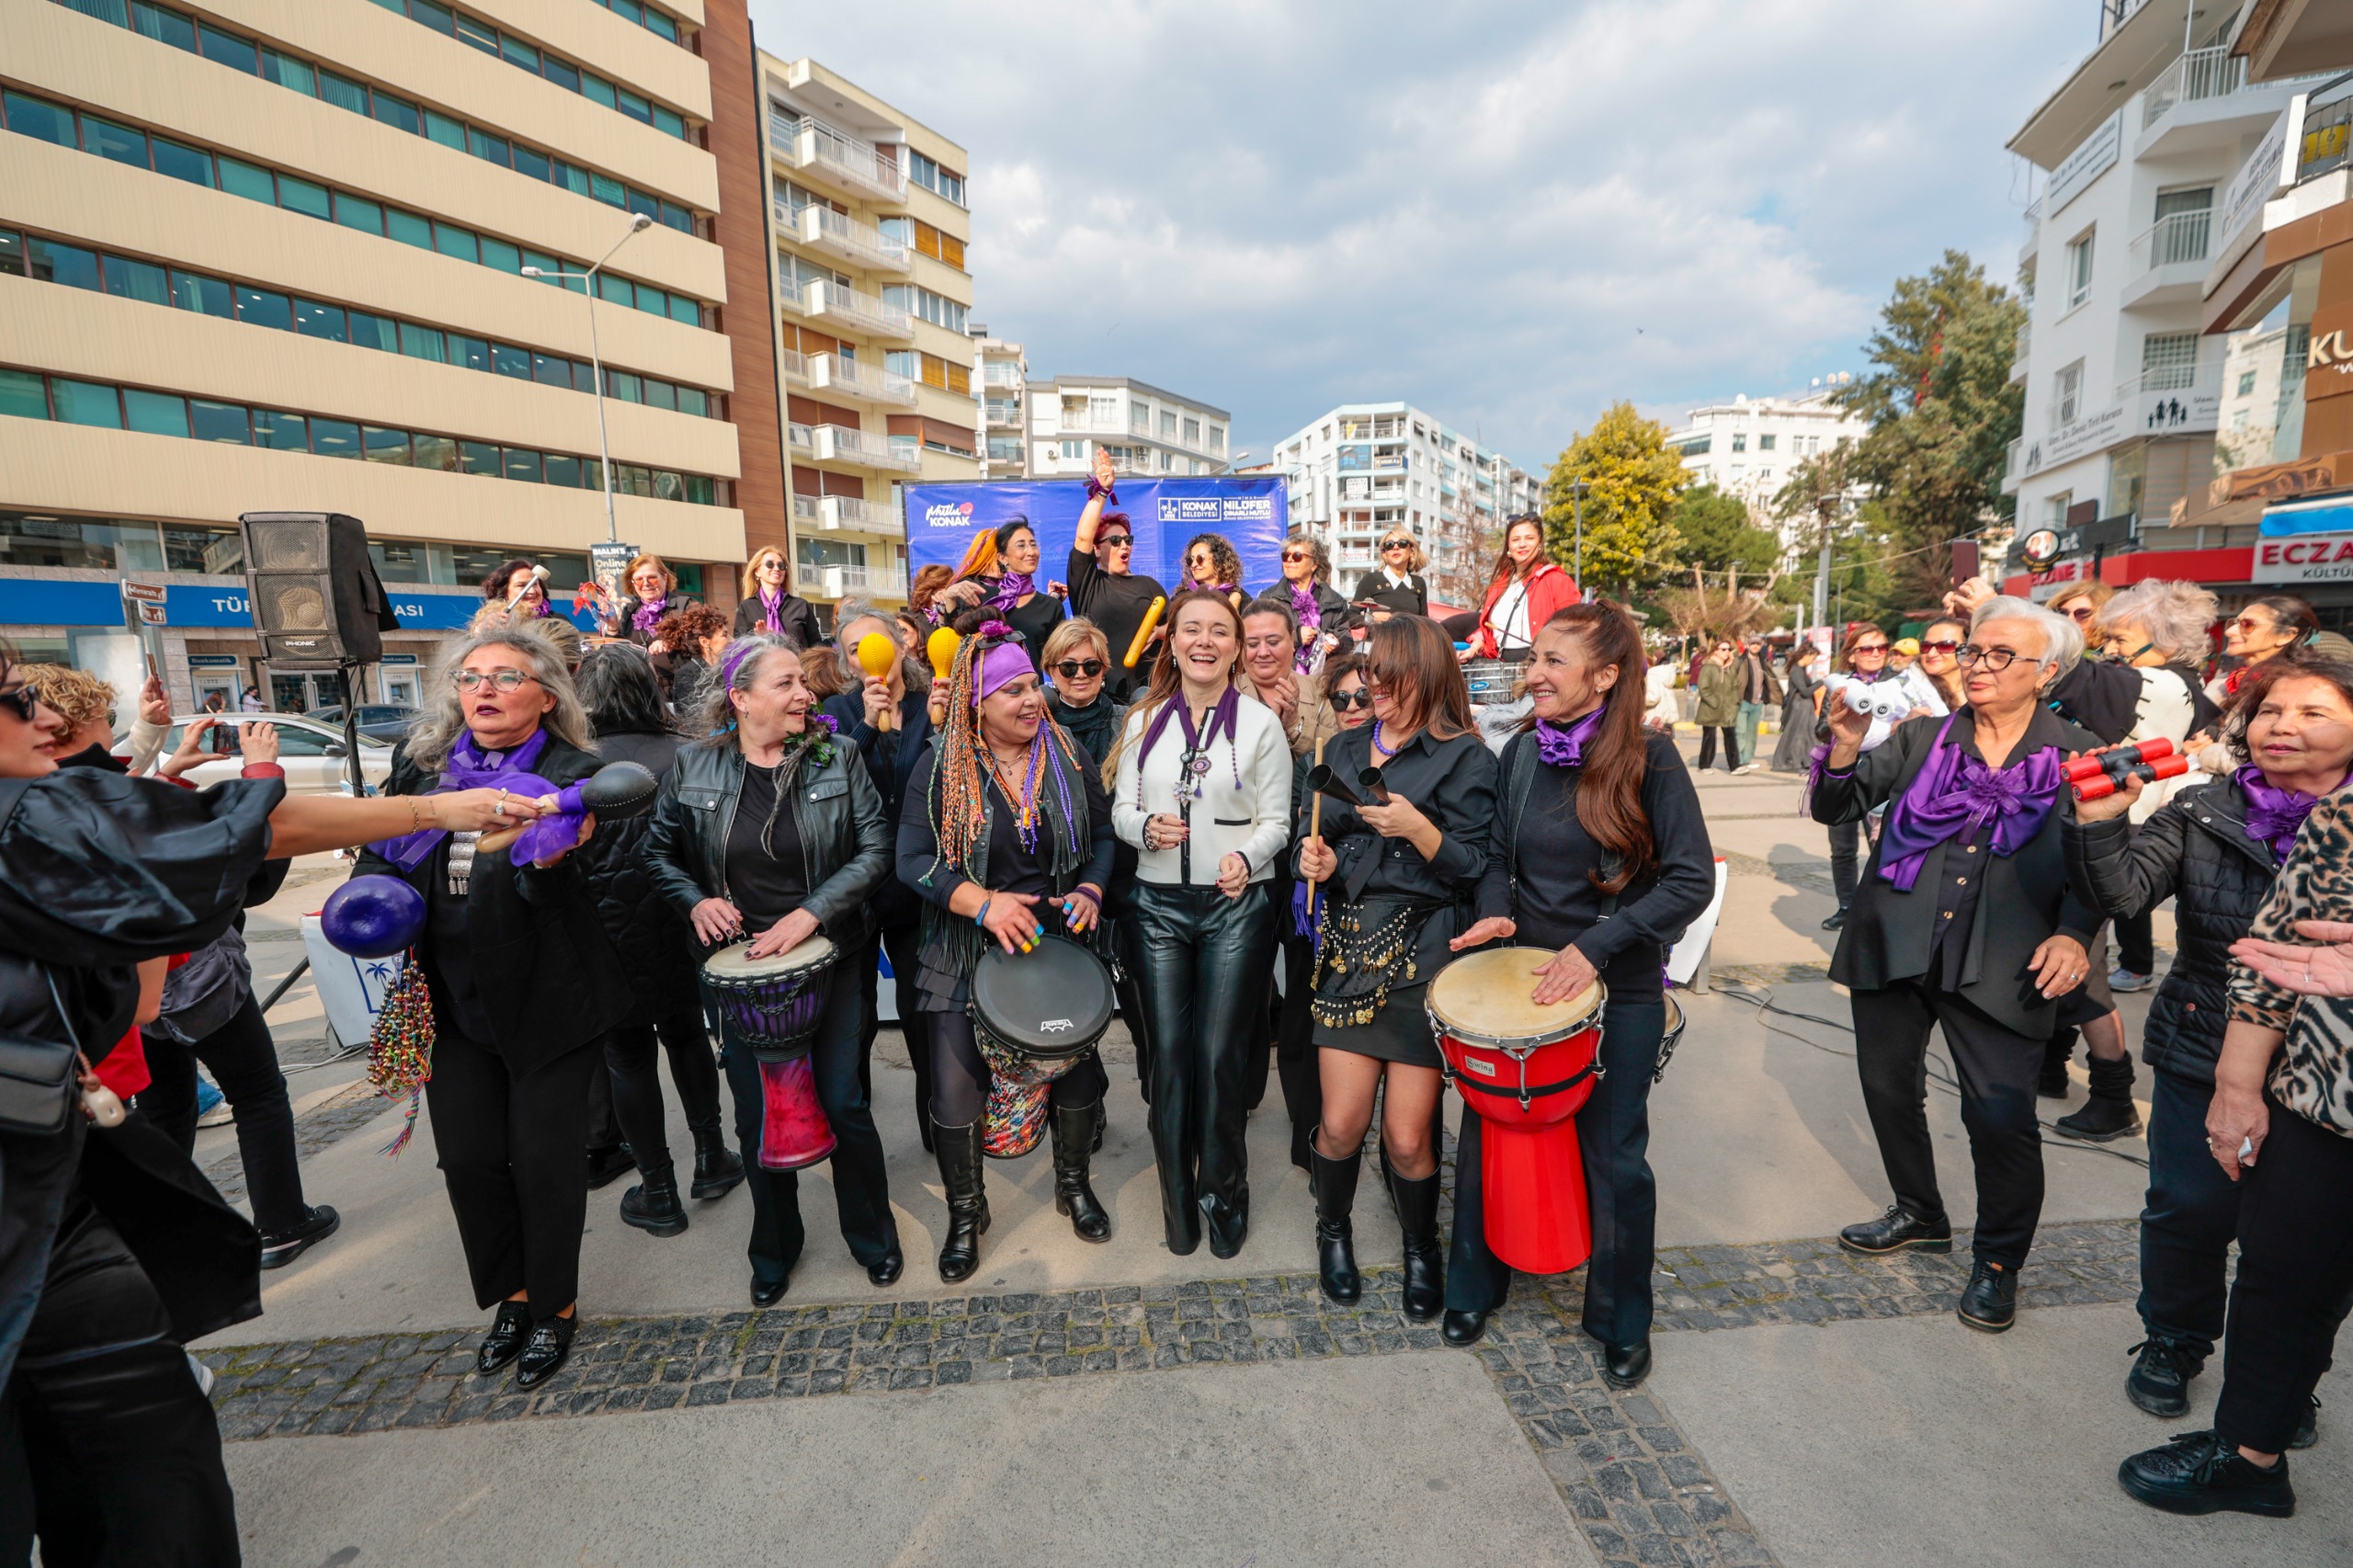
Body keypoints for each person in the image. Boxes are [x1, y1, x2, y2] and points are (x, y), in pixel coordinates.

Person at [0, 647, 527, 1561]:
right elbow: (236, 832)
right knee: (146, 1473)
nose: (30, 710)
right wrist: (442, 806)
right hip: (30, 1199)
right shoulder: (23, 815)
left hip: (51, 1187)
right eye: (11, 694)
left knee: (131, 1459)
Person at [2069, 651, 2353, 1442]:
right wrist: (2099, 828)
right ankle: (2175, 1340)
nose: (2283, 726)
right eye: (2269, 711)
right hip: (2204, 1043)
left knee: (2307, 1250)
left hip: (2332, 1075)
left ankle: (2284, 1383)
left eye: (2312, 712)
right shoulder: (2201, 809)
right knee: (2190, 1211)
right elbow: (2122, 894)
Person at [1810, 597, 2102, 1334]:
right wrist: (1843, 749)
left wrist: (2074, 933)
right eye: (1974, 651)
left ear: (2049, 672)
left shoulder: (2078, 752)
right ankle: (1920, 1210)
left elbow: (2102, 866)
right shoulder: (1921, 739)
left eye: (2001, 655)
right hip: (1897, 939)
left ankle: (1999, 1262)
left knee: (2000, 1117)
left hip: (2007, 958)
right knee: (1886, 1089)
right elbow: (1834, 809)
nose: (1977, 665)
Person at [1445, 602, 1715, 1373]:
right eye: (1535, 658)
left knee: (1615, 1155)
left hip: (1618, 986)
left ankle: (1622, 1318)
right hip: (1522, 983)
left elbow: (1690, 882)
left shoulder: (1652, 759)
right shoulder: (1522, 752)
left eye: (1553, 662)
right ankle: (1476, 1282)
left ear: (1605, 676)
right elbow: (1495, 855)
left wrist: (1594, 945)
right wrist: (1496, 914)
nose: (1532, 674)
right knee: (1490, 1134)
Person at [350, 623, 620, 1389]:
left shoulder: (578, 772)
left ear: (545, 695)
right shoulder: (425, 768)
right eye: (471, 678)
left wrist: (554, 859)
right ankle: (513, 1296)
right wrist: (370, 899)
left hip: (549, 998)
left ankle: (555, 1308)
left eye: (505, 677)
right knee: (469, 1161)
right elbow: (381, 851)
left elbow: (582, 897)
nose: (485, 691)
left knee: (543, 1164)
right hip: (452, 996)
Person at [2114, 790, 2353, 1516]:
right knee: (2283, 1279)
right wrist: (2238, 1086)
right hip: (2328, 1095)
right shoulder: (2343, 816)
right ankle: (2250, 1454)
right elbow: (2270, 963)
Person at [644, 636, 903, 1303]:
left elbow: (875, 849)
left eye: (802, 683)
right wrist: (693, 900)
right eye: (786, 683)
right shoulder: (693, 766)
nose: (804, 695)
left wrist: (810, 914)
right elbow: (657, 855)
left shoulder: (838, 755)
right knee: (758, 1119)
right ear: (741, 698)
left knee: (844, 1102)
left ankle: (873, 1238)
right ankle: (774, 1250)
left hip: (833, 957)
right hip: (740, 976)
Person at [897, 623, 1119, 1278]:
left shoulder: (1067, 752)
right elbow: (910, 861)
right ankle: (968, 1213)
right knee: (956, 1090)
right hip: (963, 950)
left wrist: (1092, 888)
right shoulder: (942, 765)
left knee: (1074, 1075)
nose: (1032, 700)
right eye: (1013, 690)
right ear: (977, 703)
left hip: (1057, 948)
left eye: (1033, 686)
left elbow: (1103, 837)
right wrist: (984, 903)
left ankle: (1072, 1185)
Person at [1295, 617, 1498, 1321]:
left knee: (1410, 1138)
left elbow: (1478, 867)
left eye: (1387, 673)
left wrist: (1420, 829)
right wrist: (1313, 858)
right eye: (1368, 673)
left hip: (1427, 949)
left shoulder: (1467, 757)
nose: (1372, 686)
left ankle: (1421, 1245)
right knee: (1342, 1124)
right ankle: (1334, 1230)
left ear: (1425, 674)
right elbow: (1314, 833)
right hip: (1351, 947)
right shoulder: (1341, 747)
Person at [1108, 592, 1291, 1256]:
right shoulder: (1143, 721)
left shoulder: (1261, 725)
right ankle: (1176, 1202)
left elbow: (1279, 820)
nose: (1205, 641)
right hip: (1158, 906)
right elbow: (1121, 811)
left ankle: (1223, 1190)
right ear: (1173, 643)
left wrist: (1247, 855)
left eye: (1220, 631)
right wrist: (1144, 827)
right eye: (1193, 630)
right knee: (1167, 1063)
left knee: (1218, 1058)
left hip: (1235, 905)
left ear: (1238, 648)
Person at [571, 645, 739, 1239]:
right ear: (650, 689)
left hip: (604, 934)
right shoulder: (689, 755)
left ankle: (660, 1189)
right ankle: (712, 1156)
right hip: (680, 923)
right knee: (687, 1035)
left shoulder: (570, 764)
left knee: (627, 1058)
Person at [821, 601, 940, 1152]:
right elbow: (829, 785)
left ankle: (941, 1132)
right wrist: (867, 727)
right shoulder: (836, 713)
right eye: (854, 649)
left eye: (878, 643)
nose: (870, 657)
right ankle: (856, 1139)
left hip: (919, 888)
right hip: (858, 891)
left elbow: (945, 785)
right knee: (856, 1021)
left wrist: (942, 729)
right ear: (847, 663)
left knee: (924, 1019)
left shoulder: (928, 704)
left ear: (902, 646)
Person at [2087, 579, 2224, 1004]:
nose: (2110, 647)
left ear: (2165, 641)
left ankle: (2135, 965)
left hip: (2134, 809)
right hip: (2120, 806)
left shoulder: (2164, 683)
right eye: (2107, 637)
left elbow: (2075, 678)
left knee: (2123, 893)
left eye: (2120, 638)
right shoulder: (2143, 676)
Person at [1817, 623, 1944, 930]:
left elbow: (1928, 717)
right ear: (1851, 656)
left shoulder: (1903, 681)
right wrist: (1845, 731)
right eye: (1867, 648)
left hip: (1890, 772)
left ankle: (1880, 906)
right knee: (1843, 846)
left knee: (1885, 842)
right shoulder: (1841, 685)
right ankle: (1846, 905)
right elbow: (1821, 730)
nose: (1876, 654)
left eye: (1882, 648)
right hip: (1846, 769)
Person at [1067, 446, 1169, 699]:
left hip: (1148, 696)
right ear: (1096, 549)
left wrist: (1158, 632)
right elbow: (1082, 537)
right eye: (1114, 541)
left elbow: (1179, 628)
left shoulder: (1149, 586)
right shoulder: (1089, 583)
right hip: (1100, 697)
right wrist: (1101, 492)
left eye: (1128, 540)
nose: (1124, 545)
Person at [934, 519, 1066, 662]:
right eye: (1021, 546)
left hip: (1030, 684)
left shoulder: (1051, 606)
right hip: (984, 683)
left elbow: (1059, 660)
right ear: (1002, 557)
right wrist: (950, 599)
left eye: (1033, 545)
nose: (1031, 552)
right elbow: (955, 645)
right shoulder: (981, 595)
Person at [1238, 597, 1338, 759]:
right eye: (1252, 644)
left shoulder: (1321, 690)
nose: (1263, 652)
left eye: (1273, 642)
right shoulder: (1225, 692)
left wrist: (1295, 725)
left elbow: (1341, 751)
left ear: (1292, 641)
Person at [1469, 514, 1576, 662]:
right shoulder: (1500, 584)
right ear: (1508, 546)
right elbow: (1493, 630)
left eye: (1530, 538)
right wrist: (1475, 646)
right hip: (1502, 666)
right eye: (1515, 539)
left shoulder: (1556, 580)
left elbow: (1574, 629)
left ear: (1540, 543)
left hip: (1540, 665)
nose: (1522, 544)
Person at [1041, 619, 1122, 767]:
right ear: (1052, 672)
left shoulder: (1127, 721)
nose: (1080, 674)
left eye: (1090, 665)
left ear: (1103, 670)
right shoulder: (1037, 726)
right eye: (1069, 667)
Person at [1275, 531, 1352, 671]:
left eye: (1297, 556)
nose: (1290, 560)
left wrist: (1337, 643)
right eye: (1285, 556)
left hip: (1323, 680)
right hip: (1282, 678)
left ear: (1314, 564)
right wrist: (1295, 637)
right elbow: (1259, 639)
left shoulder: (1335, 601)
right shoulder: (1270, 599)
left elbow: (1347, 640)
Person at [734, 546, 823, 649]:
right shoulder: (747, 607)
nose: (776, 569)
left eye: (781, 566)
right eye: (769, 564)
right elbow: (739, 650)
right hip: (762, 664)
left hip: (798, 664)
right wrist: (761, 641)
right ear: (757, 571)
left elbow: (817, 646)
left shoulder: (800, 605)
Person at [612, 553, 697, 654]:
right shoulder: (630, 611)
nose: (646, 583)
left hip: (680, 670)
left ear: (665, 578)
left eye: (652, 577)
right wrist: (612, 627)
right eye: (639, 579)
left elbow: (703, 639)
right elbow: (616, 652)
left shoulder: (685, 605)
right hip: (639, 670)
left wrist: (670, 643)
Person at [657, 603, 733, 716]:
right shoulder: (687, 675)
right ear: (705, 641)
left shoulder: (728, 668)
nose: (732, 640)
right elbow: (695, 723)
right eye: (725, 635)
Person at [1351, 530, 1429, 622]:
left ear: (1412, 552)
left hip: (1412, 636)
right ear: (1384, 554)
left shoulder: (1419, 583)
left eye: (1402, 543)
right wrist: (1370, 618)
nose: (1395, 547)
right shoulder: (1371, 580)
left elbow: (1425, 622)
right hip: (1379, 636)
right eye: (1389, 545)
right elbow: (1350, 617)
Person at [1771, 642, 1825, 774]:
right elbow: (1805, 691)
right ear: (1807, 655)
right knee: (1799, 735)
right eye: (1813, 658)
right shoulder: (1796, 670)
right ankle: (1795, 762)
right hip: (1800, 706)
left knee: (1808, 734)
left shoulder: (1799, 670)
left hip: (1804, 705)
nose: (1813, 661)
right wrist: (1821, 682)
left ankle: (1806, 761)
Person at [1732, 633, 1780, 774]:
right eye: (1752, 643)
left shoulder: (1763, 661)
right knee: (1740, 731)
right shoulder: (1740, 661)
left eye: (1757, 644)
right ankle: (1739, 760)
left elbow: (1770, 680)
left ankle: (1748, 759)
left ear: (1761, 645)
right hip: (1742, 701)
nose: (1755, 646)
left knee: (1752, 732)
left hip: (1757, 702)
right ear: (1748, 645)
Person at [1693, 639, 1742, 773]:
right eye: (1723, 649)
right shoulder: (1708, 667)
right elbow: (1703, 688)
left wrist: (1736, 701)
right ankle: (1704, 765)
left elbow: (1735, 686)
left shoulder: (1730, 667)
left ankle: (1735, 766)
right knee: (1709, 738)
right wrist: (1715, 702)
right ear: (1715, 651)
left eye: (1729, 649)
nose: (1727, 652)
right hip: (1711, 709)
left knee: (1731, 736)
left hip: (1728, 709)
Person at [1915, 618, 1967, 714]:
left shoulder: (1983, 685)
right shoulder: (1902, 689)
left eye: (1945, 646)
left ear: (1965, 650)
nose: (1931, 654)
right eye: (1926, 646)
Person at [1178, 532, 1248, 605]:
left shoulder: (1240, 598)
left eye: (1200, 559)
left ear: (1218, 561)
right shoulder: (1181, 599)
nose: (1193, 564)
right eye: (1190, 560)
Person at [482, 558, 552, 619]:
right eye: (521, 585)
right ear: (504, 592)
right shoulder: (490, 623)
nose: (532, 591)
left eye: (535, 584)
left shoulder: (557, 624)